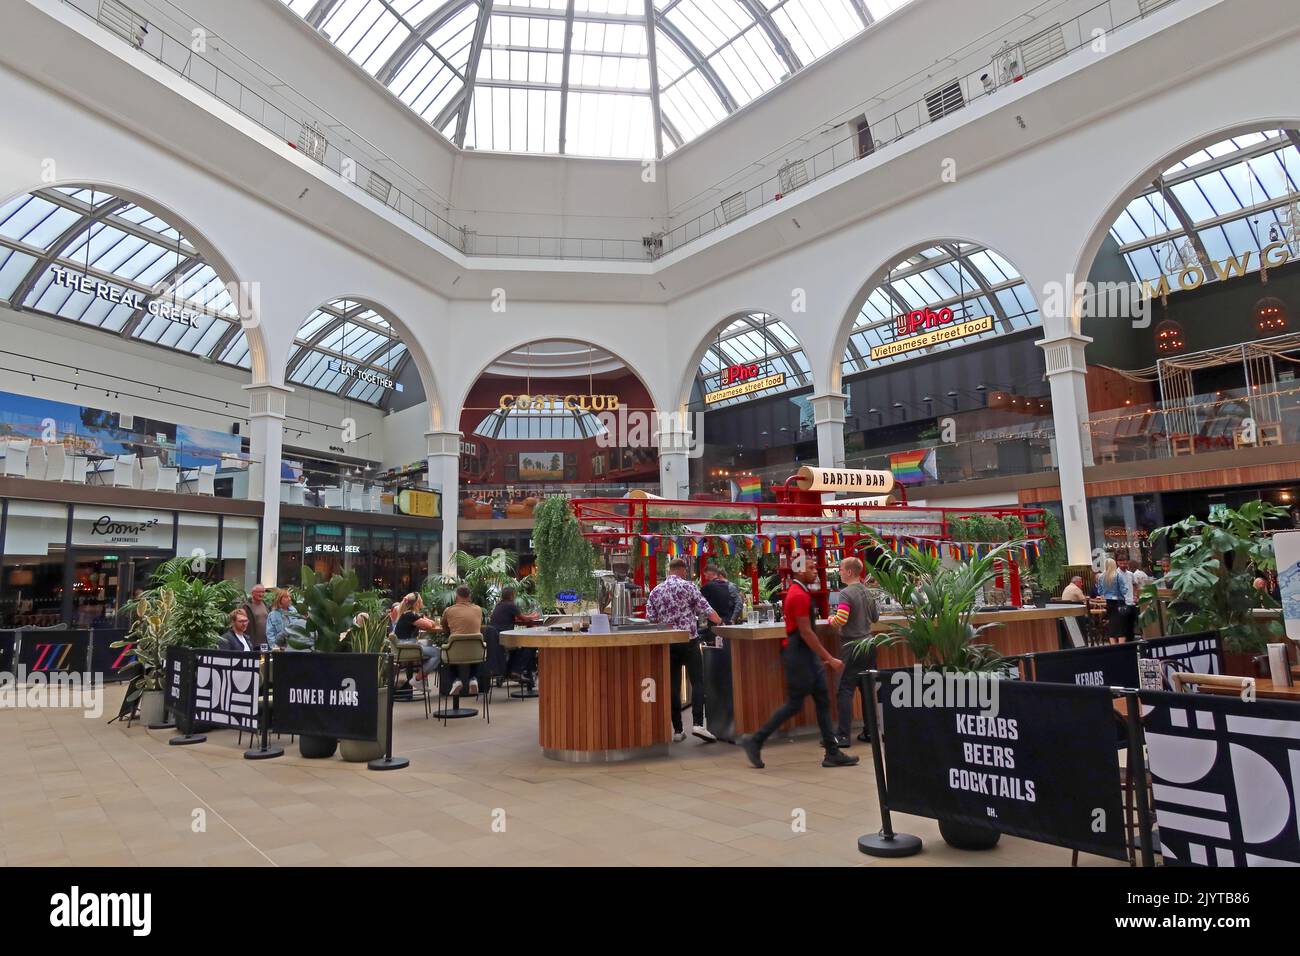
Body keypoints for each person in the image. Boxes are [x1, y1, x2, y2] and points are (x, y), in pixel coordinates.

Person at [744, 550, 858, 769]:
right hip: (799, 655)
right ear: (799, 570)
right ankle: (755, 740)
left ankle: (832, 752)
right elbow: (806, 632)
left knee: (823, 700)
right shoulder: (798, 595)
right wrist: (829, 658)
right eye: (811, 568)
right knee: (795, 704)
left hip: (803, 655)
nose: (815, 571)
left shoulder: (800, 592)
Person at [645, 558, 721, 743]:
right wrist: (720, 622)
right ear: (682, 570)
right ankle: (697, 724)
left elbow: (650, 618)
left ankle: (678, 730)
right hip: (689, 640)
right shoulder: (688, 587)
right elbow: (706, 609)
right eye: (685, 572)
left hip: (668, 642)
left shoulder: (656, 591)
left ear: (669, 570)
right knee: (697, 681)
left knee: (673, 685)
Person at [830, 556, 879, 750]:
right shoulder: (868, 593)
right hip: (869, 644)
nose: (839, 572)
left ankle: (842, 736)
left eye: (841, 569)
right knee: (867, 689)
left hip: (852, 646)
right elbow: (875, 618)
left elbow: (841, 618)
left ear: (849, 572)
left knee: (845, 689)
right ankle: (870, 732)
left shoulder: (846, 593)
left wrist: (831, 620)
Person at [440, 585, 486, 697]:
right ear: (469, 596)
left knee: (448, 651)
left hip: (456, 652)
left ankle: (456, 680)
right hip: (475, 652)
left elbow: (444, 626)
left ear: (456, 596)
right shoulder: (478, 609)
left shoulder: (448, 610)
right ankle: (473, 678)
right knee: (473, 650)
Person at [493, 587, 540, 685]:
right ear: (512, 595)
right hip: (506, 639)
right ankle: (517, 671)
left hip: (497, 639)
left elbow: (515, 617)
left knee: (518, 650)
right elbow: (524, 619)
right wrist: (533, 616)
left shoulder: (499, 605)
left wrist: (527, 617)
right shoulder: (510, 605)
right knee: (530, 646)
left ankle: (510, 672)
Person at [394, 593, 439, 689]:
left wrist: (423, 618)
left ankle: (422, 678)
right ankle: (417, 679)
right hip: (408, 647)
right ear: (417, 603)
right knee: (437, 653)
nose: (422, 602)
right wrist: (424, 618)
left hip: (404, 645)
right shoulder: (410, 615)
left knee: (428, 643)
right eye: (421, 600)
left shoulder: (407, 614)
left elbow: (431, 623)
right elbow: (429, 625)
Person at [1094, 557, 1132, 644]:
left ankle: (1113, 645)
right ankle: (1121, 645)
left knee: (1112, 622)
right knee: (1121, 624)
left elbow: (1099, 591)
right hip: (1119, 601)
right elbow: (1124, 590)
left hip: (1109, 602)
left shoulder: (1101, 577)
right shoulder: (1118, 576)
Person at [240, 584, 269, 650]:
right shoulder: (246, 606)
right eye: (259, 592)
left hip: (265, 642)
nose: (261, 594)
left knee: (263, 660)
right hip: (252, 642)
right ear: (253, 593)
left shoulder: (265, 604)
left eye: (263, 592)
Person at [1117, 557, 1138, 641]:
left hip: (1131, 602)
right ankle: (1125, 645)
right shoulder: (1116, 574)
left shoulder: (1130, 574)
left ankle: (1132, 643)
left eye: (1125, 563)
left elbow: (1134, 585)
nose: (1123, 565)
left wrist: (1135, 595)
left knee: (1131, 625)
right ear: (1118, 563)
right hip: (1122, 603)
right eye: (1121, 563)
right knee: (1123, 626)